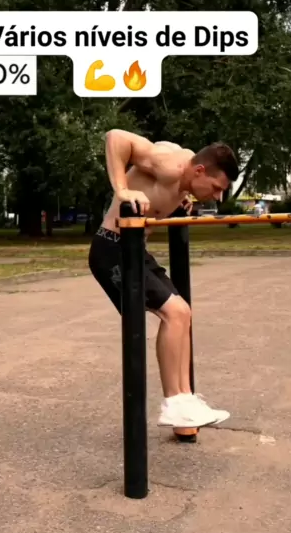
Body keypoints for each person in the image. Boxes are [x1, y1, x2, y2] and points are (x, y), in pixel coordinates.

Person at [88, 129, 240, 429]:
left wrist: (182, 198)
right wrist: (122, 190)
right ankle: (174, 404)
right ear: (199, 171)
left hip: (134, 250)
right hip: (112, 249)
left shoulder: (183, 179)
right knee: (174, 313)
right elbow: (115, 137)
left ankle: (184, 399)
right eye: (216, 187)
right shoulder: (170, 164)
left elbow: (165, 175)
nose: (218, 196)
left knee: (182, 313)